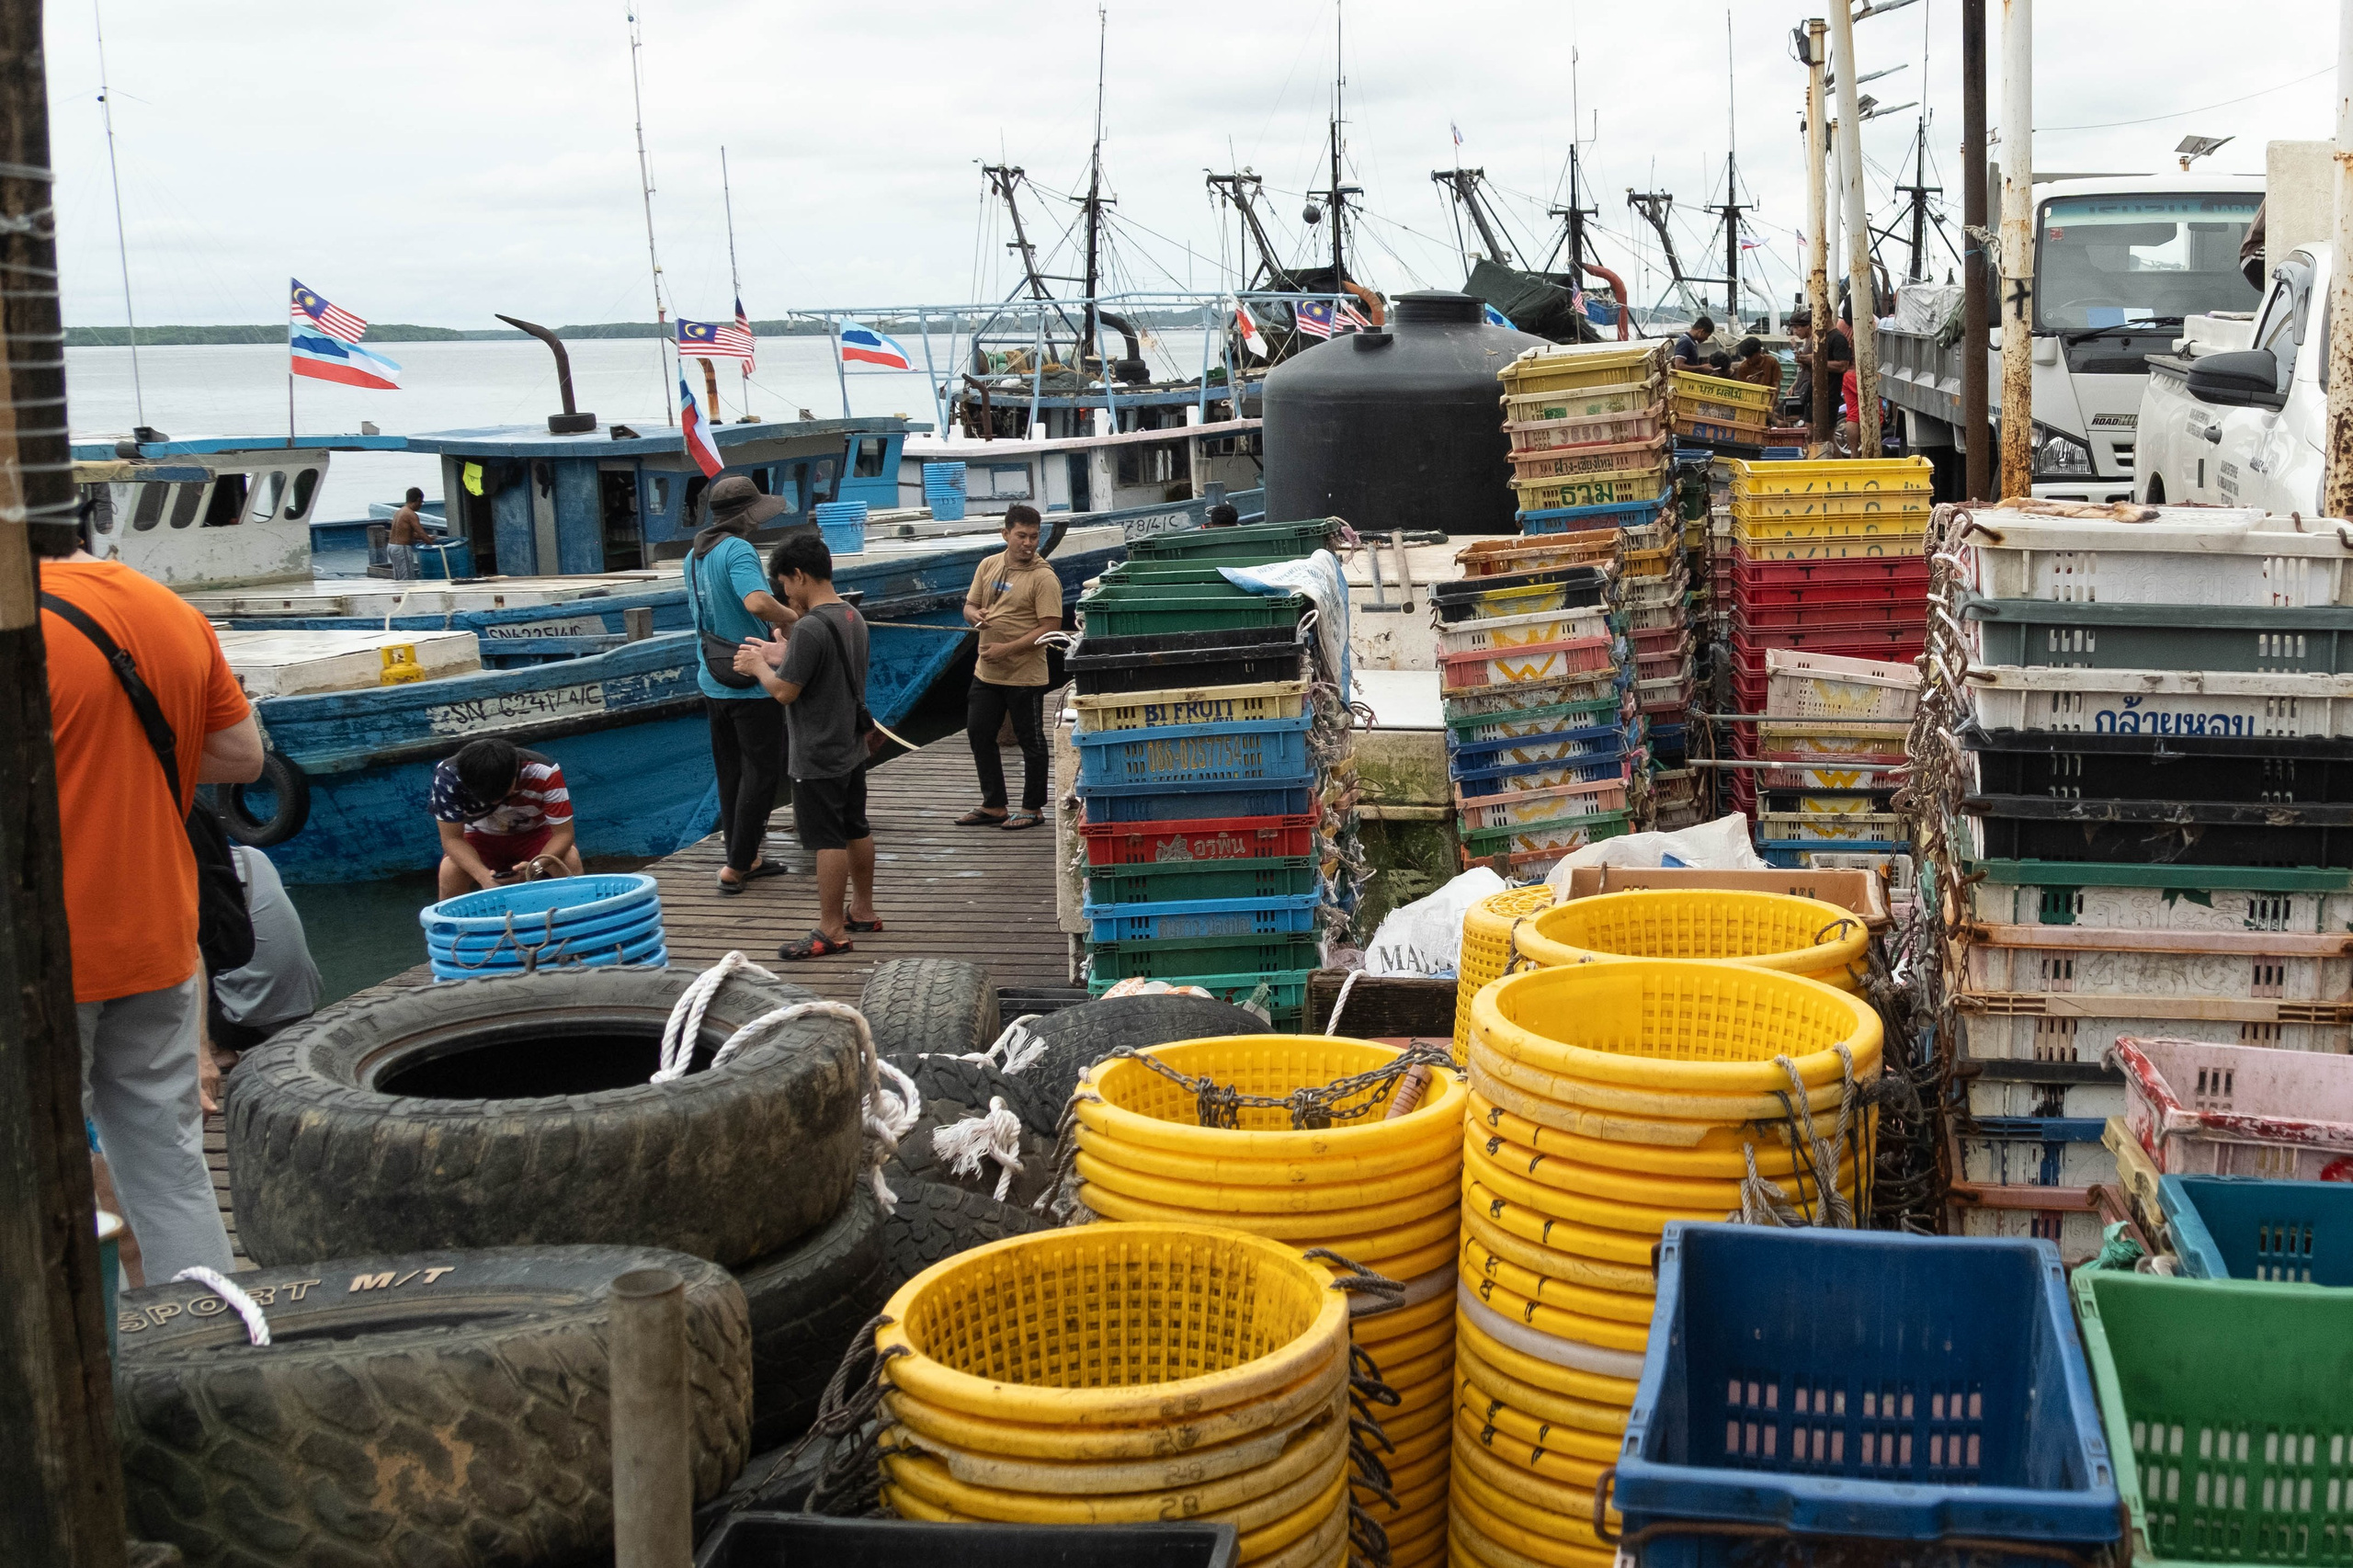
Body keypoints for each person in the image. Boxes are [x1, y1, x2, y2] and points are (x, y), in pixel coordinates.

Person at [36, 519, 262, 1282]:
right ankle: (202, 1346)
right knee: (167, 1168)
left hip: (40, 957)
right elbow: (243, 755)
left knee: (30, 1176)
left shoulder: (15, 623)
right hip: (158, 936)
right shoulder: (167, 610)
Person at [733, 533, 879, 960]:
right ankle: (864, 910)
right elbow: (826, 667)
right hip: (850, 744)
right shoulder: (851, 616)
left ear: (799, 575)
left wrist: (760, 666)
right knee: (856, 826)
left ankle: (831, 929)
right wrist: (784, 654)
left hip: (817, 749)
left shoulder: (812, 626)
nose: (784, 594)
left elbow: (784, 693)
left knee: (826, 838)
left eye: (785, 584)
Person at [688, 474, 800, 893]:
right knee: (762, 773)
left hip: (711, 676)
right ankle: (736, 865)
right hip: (749, 680)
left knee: (730, 772)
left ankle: (745, 853)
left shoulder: (695, 554)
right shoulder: (738, 549)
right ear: (749, 514)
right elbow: (755, 601)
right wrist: (794, 618)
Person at [956, 503, 1063, 832]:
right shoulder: (988, 565)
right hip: (986, 672)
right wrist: (973, 615)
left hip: (1024, 676)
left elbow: (1050, 626)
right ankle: (994, 804)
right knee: (979, 733)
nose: (1028, 543)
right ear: (1005, 534)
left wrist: (1007, 649)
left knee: (1032, 740)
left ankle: (1033, 808)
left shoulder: (1044, 578)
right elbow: (970, 605)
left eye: (1034, 536)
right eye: (1021, 536)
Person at [206, 844, 322, 1058]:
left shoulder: (192, 875)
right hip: (305, 1007)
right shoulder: (253, 855)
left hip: (249, 1026)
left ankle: (218, 1051)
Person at [430, 737, 582, 898]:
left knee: (570, 860)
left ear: (514, 779)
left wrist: (535, 867)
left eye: (501, 794)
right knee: (449, 871)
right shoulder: (447, 776)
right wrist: (483, 877)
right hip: (478, 837)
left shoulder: (545, 771)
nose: (494, 802)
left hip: (535, 833)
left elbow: (564, 834)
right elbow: (452, 839)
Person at [1788, 306, 1854, 426]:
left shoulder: (1837, 338)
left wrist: (1814, 360)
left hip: (1829, 392)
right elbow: (1813, 366)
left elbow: (1842, 366)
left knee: (1824, 433)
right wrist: (1805, 361)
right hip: (1813, 390)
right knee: (1809, 431)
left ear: (1826, 315)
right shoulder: (1819, 337)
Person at [388, 487, 429, 580]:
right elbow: (422, 534)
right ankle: (408, 594)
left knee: (399, 578)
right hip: (401, 549)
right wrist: (433, 544)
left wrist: (427, 537)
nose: (421, 505)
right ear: (418, 500)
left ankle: (399, 594)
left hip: (391, 547)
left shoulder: (399, 512)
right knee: (407, 579)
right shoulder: (411, 514)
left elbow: (404, 532)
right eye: (421, 502)